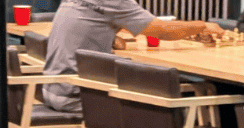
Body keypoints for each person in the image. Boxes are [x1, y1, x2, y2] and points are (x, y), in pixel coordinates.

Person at [42, 1, 223, 115]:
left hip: (52, 87)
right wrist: (202, 26)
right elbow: (161, 30)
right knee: (154, 102)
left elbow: (85, 25)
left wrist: (110, 37)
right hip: (77, 94)